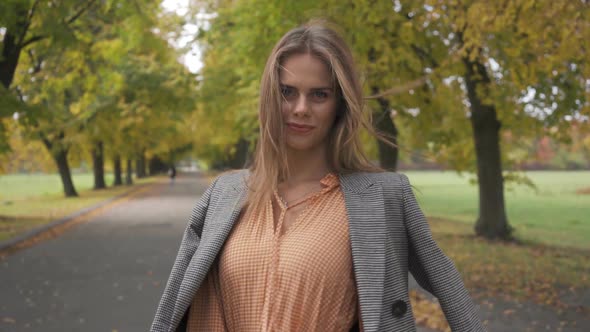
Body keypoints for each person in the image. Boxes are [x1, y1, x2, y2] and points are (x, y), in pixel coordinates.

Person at [151, 21, 485, 332]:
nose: (300, 108)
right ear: (270, 96)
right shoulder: (224, 193)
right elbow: (175, 302)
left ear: (339, 104)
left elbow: (446, 283)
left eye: (319, 95)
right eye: (287, 92)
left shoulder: (383, 197)